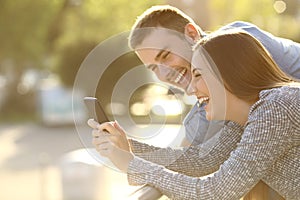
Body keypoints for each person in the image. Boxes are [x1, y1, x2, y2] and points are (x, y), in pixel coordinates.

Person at [90, 29, 300, 200]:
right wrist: (128, 145)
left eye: (198, 75)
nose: (191, 90)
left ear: (228, 72)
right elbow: (201, 161)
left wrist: (130, 163)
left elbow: (215, 192)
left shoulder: (276, 108)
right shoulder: (249, 118)